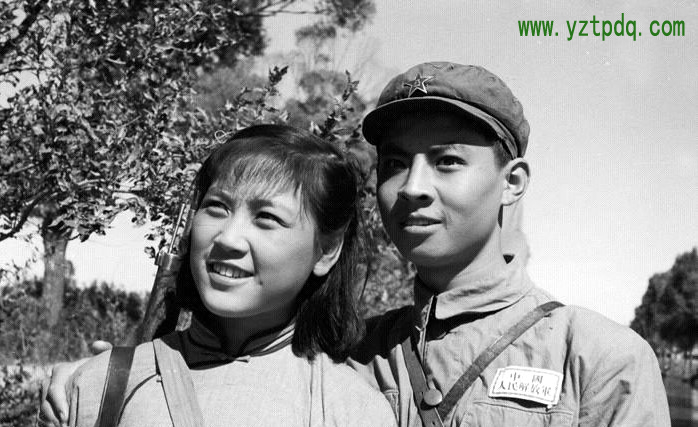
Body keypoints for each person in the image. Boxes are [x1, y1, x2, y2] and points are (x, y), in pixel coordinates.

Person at [42, 63, 671, 426]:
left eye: (447, 161)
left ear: (513, 182)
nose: (412, 188)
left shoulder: (595, 357)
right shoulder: (353, 352)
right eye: (394, 163)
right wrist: (113, 381)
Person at [39, 124, 396, 427]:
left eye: (267, 218)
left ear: (327, 250)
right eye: (217, 207)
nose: (227, 238)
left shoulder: (353, 411)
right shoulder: (101, 385)